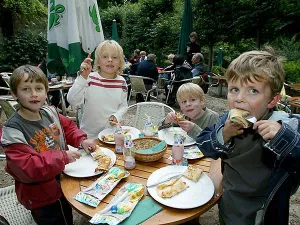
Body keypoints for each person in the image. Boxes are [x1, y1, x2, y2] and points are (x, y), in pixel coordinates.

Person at [196, 47, 300, 225]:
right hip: (230, 202)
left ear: (272, 100)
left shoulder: (286, 125)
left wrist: (284, 138)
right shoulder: (227, 121)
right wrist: (223, 134)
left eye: (253, 91)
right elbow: (203, 144)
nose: (239, 99)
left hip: (267, 209)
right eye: (234, 89)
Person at [0, 65, 96, 225]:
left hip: (62, 177)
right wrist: (62, 156)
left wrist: (81, 139)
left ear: (46, 91)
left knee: (66, 214)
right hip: (41, 194)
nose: (34, 94)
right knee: (54, 219)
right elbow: (27, 167)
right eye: (26, 89)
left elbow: (68, 127)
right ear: (14, 94)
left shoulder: (50, 112)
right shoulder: (12, 131)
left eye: (39, 88)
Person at [67, 40, 128, 139]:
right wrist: (82, 78)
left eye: (115, 57)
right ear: (98, 62)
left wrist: (117, 115)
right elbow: (72, 100)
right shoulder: (89, 78)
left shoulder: (122, 82)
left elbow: (124, 106)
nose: (110, 60)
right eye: (105, 56)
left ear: (120, 62)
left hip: (111, 135)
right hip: (89, 136)